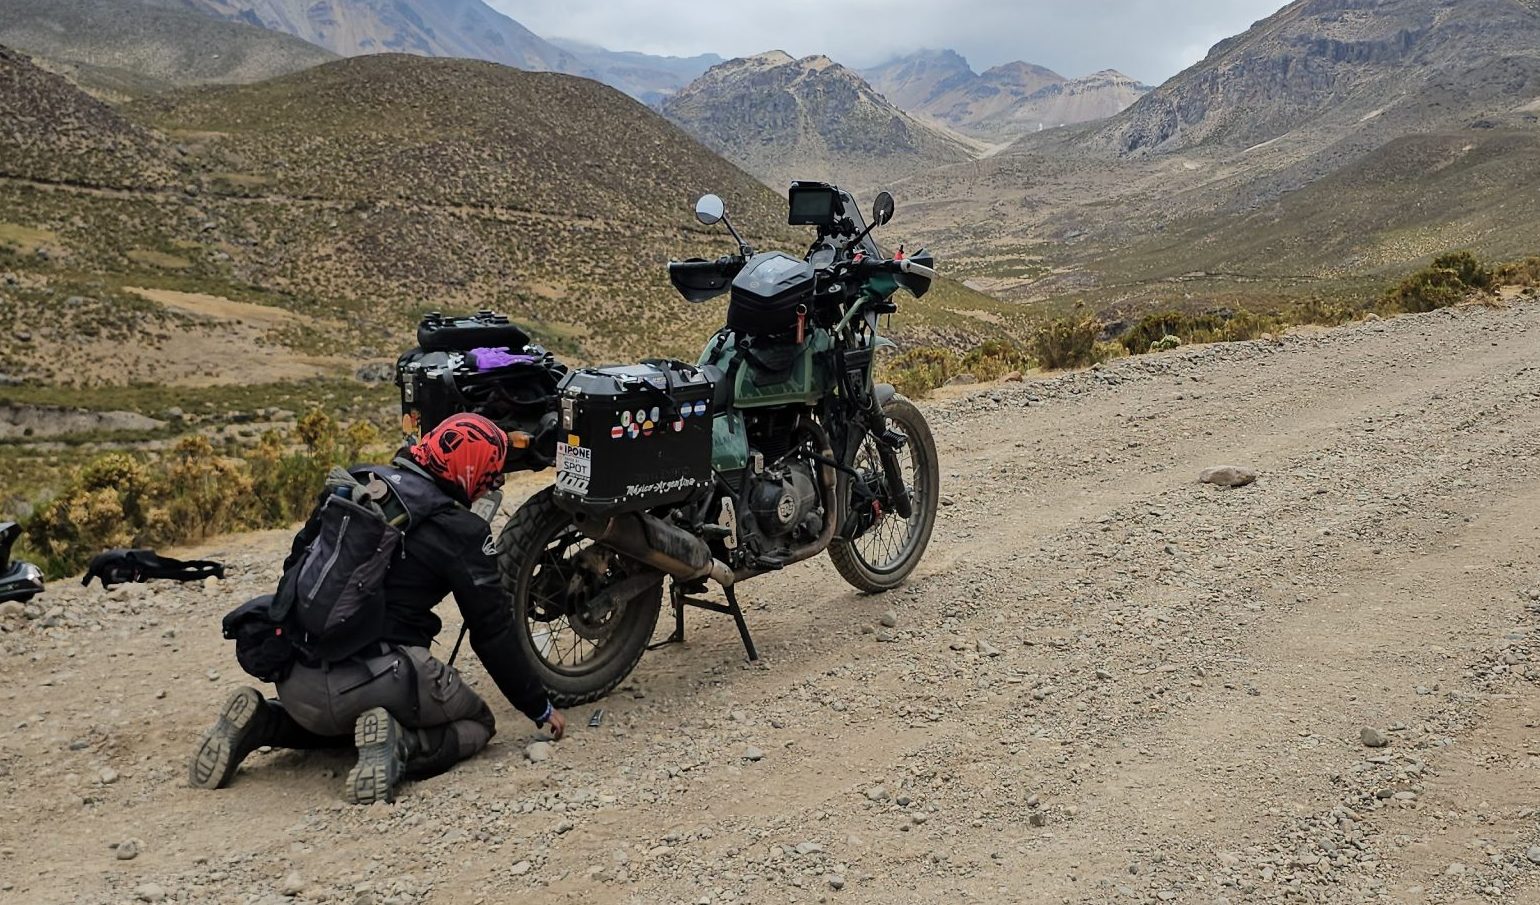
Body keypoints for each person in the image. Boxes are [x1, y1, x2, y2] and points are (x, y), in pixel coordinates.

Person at [189, 413, 565, 804]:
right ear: (471, 468)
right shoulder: (460, 530)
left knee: (337, 717)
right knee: (478, 723)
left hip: (294, 675)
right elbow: (492, 632)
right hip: (380, 680)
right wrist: (538, 706)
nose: (494, 483)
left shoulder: (355, 482)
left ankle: (265, 721)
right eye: (492, 473)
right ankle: (401, 744)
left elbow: (295, 567)